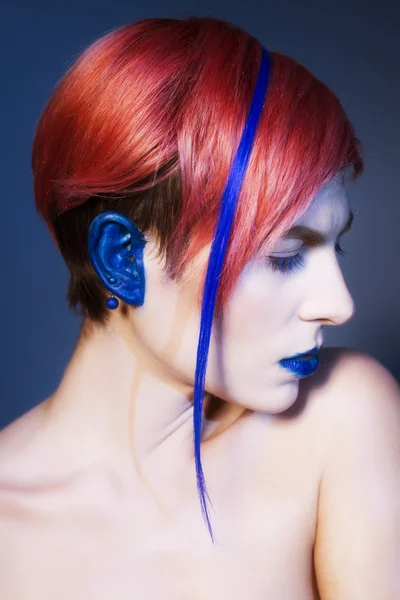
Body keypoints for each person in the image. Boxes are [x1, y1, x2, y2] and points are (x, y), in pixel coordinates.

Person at [0, 15, 399, 599]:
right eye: (287, 258)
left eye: (334, 245)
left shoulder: (340, 419)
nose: (339, 306)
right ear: (123, 258)